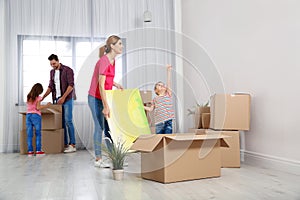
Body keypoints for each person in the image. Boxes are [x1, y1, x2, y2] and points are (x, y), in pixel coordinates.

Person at [88, 35, 124, 168]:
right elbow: (100, 85)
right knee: (99, 127)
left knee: (109, 128)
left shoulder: (113, 61)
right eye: (120, 44)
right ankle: (98, 159)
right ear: (113, 46)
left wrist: (115, 84)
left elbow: (107, 78)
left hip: (104, 96)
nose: (122, 46)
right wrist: (106, 106)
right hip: (95, 97)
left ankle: (114, 158)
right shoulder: (104, 60)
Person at [42, 54, 76, 153]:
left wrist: (63, 97)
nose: (53, 65)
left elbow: (71, 85)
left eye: (54, 63)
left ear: (58, 61)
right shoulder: (52, 72)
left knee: (68, 120)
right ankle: (64, 144)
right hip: (56, 99)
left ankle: (72, 144)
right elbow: (51, 86)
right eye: (51, 64)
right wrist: (43, 97)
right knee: (61, 123)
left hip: (67, 98)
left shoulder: (67, 70)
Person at [144, 65, 175, 134]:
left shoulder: (168, 94)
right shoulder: (155, 99)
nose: (162, 85)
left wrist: (168, 71)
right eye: (159, 85)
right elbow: (150, 109)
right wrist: (141, 106)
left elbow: (169, 82)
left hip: (167, 121)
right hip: (158, 123)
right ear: (156, 90)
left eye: (163, 85)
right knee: (159, 139)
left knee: (168, 138)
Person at [26, 83, 51, 156]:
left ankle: (30, 151)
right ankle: (38, 151)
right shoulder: (38, 97)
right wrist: (47, 106)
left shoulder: (29, 96)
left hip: (28, 116)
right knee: (38, 134)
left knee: (29, 135)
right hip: (36, 116)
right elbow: (38, 107)